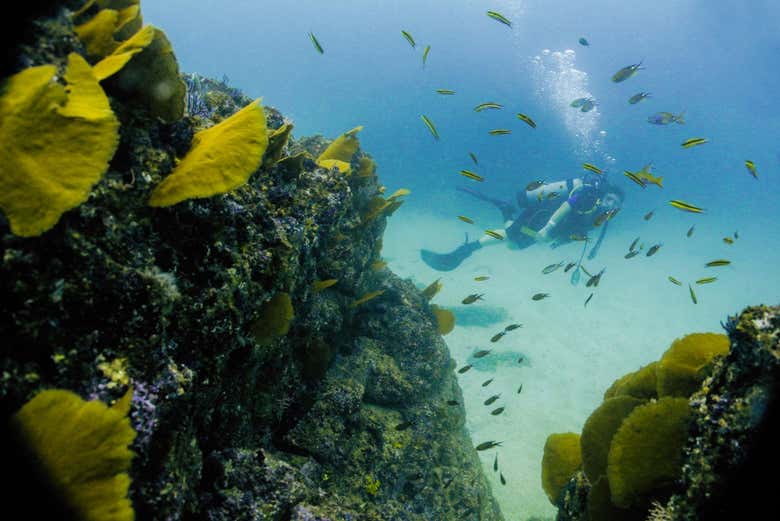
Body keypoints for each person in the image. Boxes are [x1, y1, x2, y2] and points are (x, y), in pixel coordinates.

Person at [420, 173, 624, 271]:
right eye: (609, 199)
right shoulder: (588, 197)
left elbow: (579, 230)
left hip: (550, 229)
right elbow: (566, 207)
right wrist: (548, 228)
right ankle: (464, 251)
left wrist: (560, 241)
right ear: (603, 196)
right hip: (544, 215)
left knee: (514, 246)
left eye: (615, 204)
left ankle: (505, 210)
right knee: (512, 238)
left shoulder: (602, 218)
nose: (610, 205)